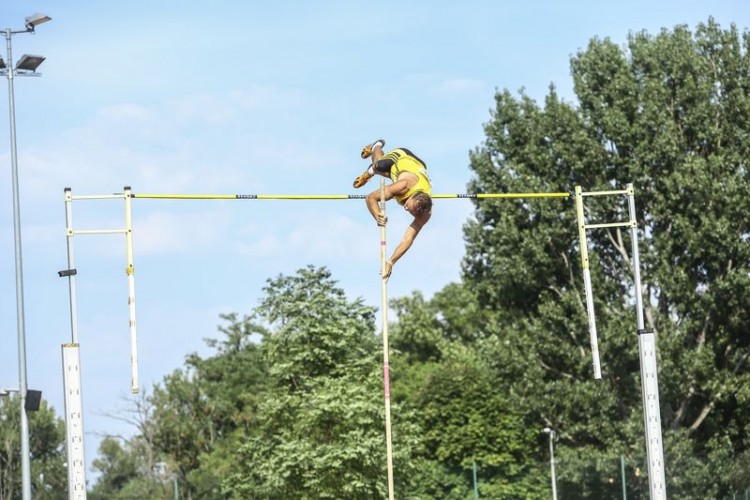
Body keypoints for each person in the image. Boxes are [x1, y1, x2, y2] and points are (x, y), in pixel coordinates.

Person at [353, 139, 432, 279]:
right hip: (401, 156)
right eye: (409, 205)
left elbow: (408, 238)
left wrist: (391, 261)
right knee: (380, 165)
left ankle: (371, 170)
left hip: (414, 167)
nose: (407, 209)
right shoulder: (402, 186)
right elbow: (370, 198)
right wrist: (377, 215)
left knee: (388, 174)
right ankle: (376, 147)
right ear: (413, 195)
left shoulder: (425, 212)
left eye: (412, 212)